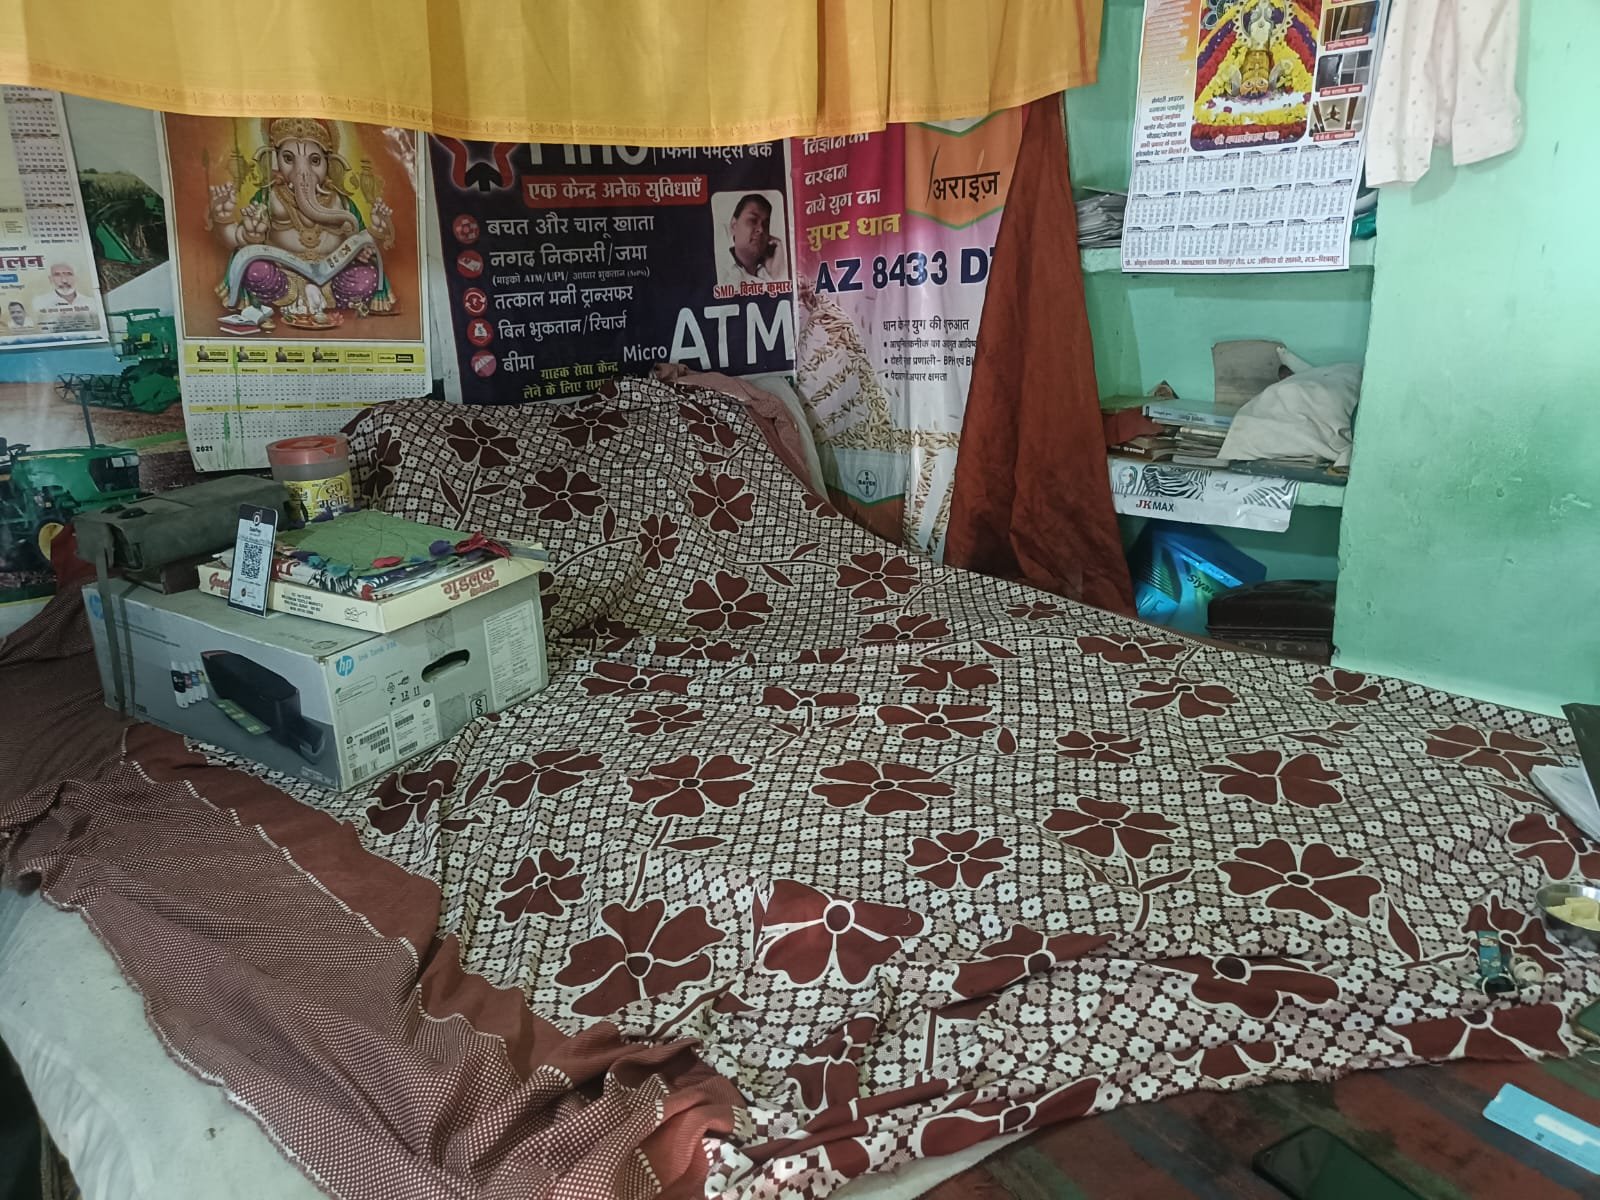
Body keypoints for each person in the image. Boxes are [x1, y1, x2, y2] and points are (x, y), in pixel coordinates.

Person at [717, 193, 786, 286]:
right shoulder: (719, 273)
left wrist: (776, 275)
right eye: (753, 220)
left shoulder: (774, 269)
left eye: (766, 224)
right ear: (734, 225)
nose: (761, 229)